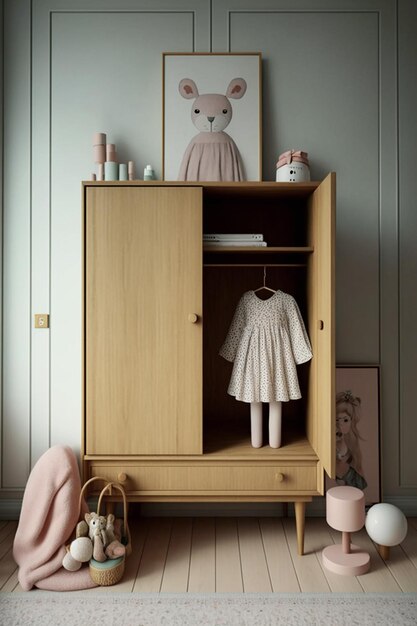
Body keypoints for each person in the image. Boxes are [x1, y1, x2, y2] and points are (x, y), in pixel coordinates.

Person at [335, 390, 367, 489]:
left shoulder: (352, 442)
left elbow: (359, 468)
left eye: (345, 420)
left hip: (352, 486)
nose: (341, 424)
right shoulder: (331, 441)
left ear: (351, 421)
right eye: (337, 419)